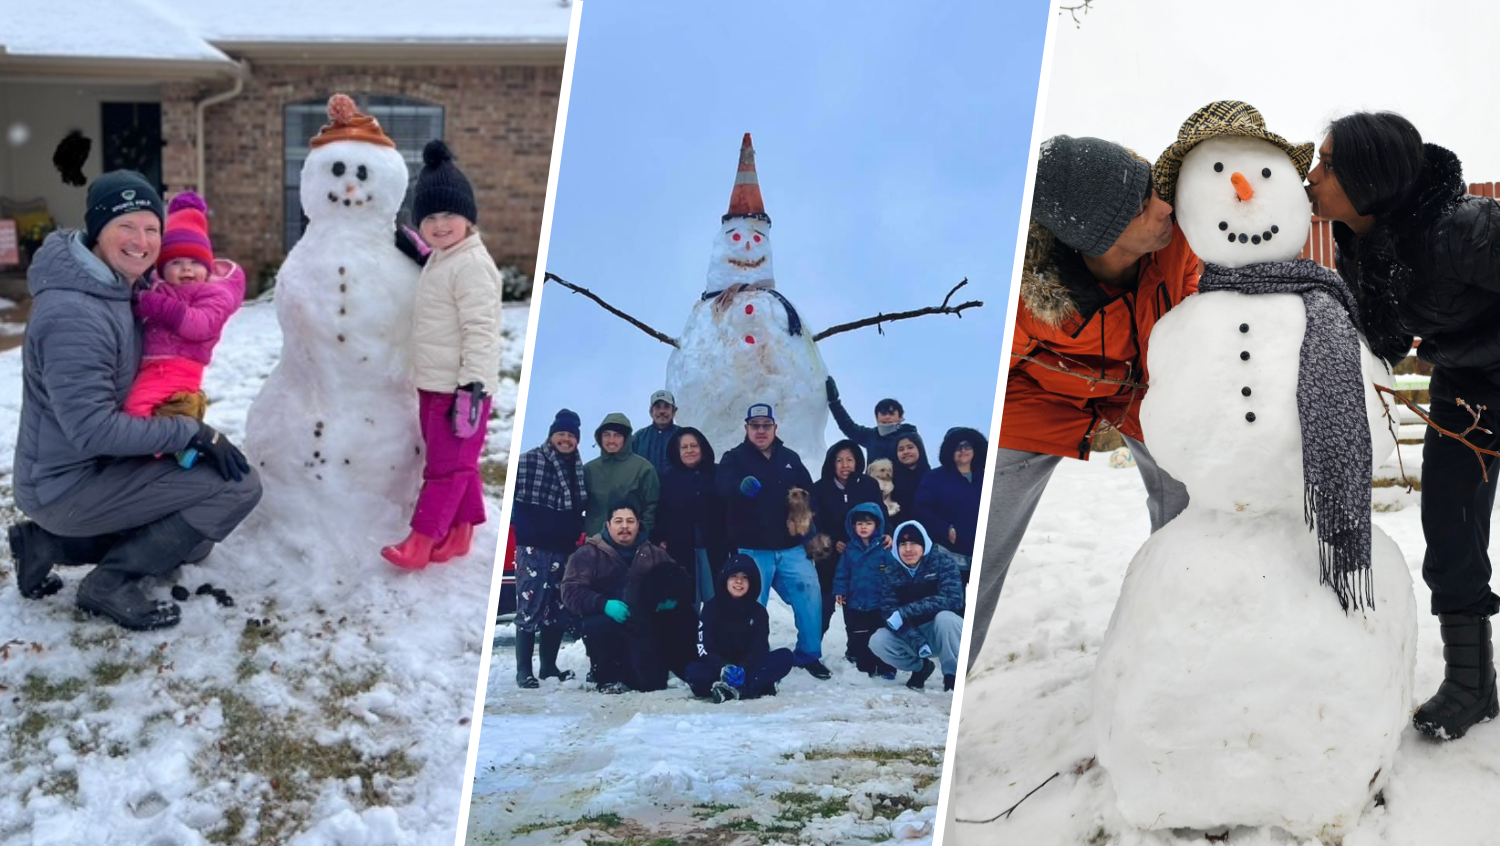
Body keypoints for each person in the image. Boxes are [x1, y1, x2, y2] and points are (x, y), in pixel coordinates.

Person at [970, 135, 1198, 671]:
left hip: (1146, 389)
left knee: (1192, 511)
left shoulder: (1178, 242)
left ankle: (1179, 658)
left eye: (1153, 190)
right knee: (981, 545)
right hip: (1039, 398)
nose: (1165, 205)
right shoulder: (1021, 297)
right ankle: (951, 678)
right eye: (1144, 205)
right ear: (1100, 239)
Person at [1307, 111, 1500, 740]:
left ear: (1369, 176)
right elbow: (1377, 338)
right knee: (1449, 524)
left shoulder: (1462, 229)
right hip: (1467, 391)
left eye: (1327, 163)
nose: (1312, 175)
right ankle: (1471, 686)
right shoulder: (1361, 244)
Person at [9, 170, 260, 631]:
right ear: (97, 230)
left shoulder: (115, 286)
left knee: (192, 540)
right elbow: (93, 429)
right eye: (126, 226)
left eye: (151, 229)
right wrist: (193, 432)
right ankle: (108, 584)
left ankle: (47, 546)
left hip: (90, 469)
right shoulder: (74, 315)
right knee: (236, 489)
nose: (141, 241)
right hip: (66, 484)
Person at [381, 141, 503, 570]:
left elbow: (481, 330)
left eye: (449, 215)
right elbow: (428, 256)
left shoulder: (471, 266)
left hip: (462, 389)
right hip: (434, 385)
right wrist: (405, 241)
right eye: (429, 218)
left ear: (468, 217)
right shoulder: (445, 258)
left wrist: (472, 386)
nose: (439, 225)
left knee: (445, 471)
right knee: (454, 462)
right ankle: (461, 532)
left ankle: (421, 541)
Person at [715, 403, 831, 680]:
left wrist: (804, 512)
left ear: (775, 428)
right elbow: (721, 488)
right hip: (753, 550)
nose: (761, 431)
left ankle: (808, 654)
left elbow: (809, 493)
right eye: (755, 426)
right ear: (746, 428)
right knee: (750, 606)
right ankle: (749, 655)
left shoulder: (789, 458)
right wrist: (739, 489)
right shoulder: (734, 458)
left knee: (810, 596)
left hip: (791, 548)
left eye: (766, 425)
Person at [123, 191, 245, 434]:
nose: (186, 268)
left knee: (137, 411)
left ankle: (154, 457)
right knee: (152, 415)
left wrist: (156, 306)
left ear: (207, 267)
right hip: (152, 367)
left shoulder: (214, 293)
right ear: (163, 268)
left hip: (179, 368)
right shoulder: (159, 287)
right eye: (176, 262)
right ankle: (167, 451)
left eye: (195, 262)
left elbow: (200, 325)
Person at [560, 503, 694, 693]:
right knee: (597, 625)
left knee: (649, 683)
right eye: (619, 521)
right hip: (606, 622)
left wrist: (672, 599)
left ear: (638, 525)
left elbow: (681, 580)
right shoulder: (587, 554)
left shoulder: (654, 553)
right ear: (607, 525)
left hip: (644, 624)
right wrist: (603, 604)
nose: (625, 526)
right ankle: (606, 677)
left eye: (630, 521)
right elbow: (570, 591)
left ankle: (679, 667)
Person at [509, 409, 588, 688]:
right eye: (561, 434)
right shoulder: (529, 460)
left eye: (571, 435)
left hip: (563, 548)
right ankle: (523, 670)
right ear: (551, 435)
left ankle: (548, 667)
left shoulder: (577, 468)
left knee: (557, 607)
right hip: (534, 546)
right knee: (530, 606)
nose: (566, 440)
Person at [686, 554, 795, 703]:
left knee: (784, 657)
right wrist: (722, 668)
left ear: (752, 582)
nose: (739, 581)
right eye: (734, 576)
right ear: (725, 579)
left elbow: (760, 647)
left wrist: (744, 668)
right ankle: (752, 687)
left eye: (745, 577)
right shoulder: (711, 608)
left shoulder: (759, 612)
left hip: (748, 669)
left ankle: (732, 690)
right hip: (718, 668)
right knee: (693, 671)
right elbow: (703, 647)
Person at [870, 521, 965, 692]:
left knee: (946, 619)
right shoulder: (891, 572)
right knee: (878, 640)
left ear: (924, 545)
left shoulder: (943, 562)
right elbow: (890, 615)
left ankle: (953, 675)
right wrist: (918, 642)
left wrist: (906, 611)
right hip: (912, 634)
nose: (908, 549)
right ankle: (921, 668)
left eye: (914, 543)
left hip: (943, 632)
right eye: (903, 544)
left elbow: (953, 599)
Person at [812, 438, 887, 635]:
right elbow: (814, 524)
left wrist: (888, 534)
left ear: (857, 462)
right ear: (831, 462)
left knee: (857, 605)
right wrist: (832, 541)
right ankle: (811, 649)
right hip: (830, 557)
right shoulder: (820, 488)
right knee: (824, 605)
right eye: (839, 460)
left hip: (863, 556)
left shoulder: (869, 485)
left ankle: (856, 648)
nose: (845, 465)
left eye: (850, 460)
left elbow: (881, 515)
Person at [650, 427, 729, 608]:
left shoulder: (718, 473)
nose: (689, 450)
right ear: (677, 452)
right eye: (684, 447)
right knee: (685, 602)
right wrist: (659, 538)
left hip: (714, 549)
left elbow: (729, 507)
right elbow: (659, 511)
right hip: (680, 551)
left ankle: (712, 636)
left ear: (702, 448)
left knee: (715, 601)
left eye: (693, 445)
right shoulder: (667, 478)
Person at [916, 427, 989, 583]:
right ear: (949, 451)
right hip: (950, 555)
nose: (963, 451)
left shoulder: (987, 476)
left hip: (984, 553)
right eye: (957, 447)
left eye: (967, 446)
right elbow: (921, 509)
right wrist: (944, 529)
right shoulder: (934, 478)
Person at [832, 503, 897, 677]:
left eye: (868, 524)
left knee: (881, 633)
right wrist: (840, 590)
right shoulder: (849, 550)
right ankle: (865, 664)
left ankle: (886, 665)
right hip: (856, 602)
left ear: (877, 525)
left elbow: (894, 574)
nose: (863, 527)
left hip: (879, 603)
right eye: (860, 524)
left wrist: (893, 595)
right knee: (860, 634)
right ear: (853, 526)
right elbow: (842, 573)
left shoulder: (884, 549)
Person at [583, 413, 659, 538]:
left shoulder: (643, 469)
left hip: (629, 542)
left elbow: (651, 507)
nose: (611, 440)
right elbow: (578, 506)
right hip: (595, 543)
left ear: (626, 438)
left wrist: (641, 535)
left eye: (617, 435)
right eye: (606, 435)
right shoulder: (589, 470)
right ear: (600, 438)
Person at [825, 376, 920, 465]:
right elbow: (848, 426)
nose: (887, 417)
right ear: (876, 418)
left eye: (891, 413)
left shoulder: (910, 435)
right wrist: (834, 403)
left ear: (901, 418)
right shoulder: (870, 435)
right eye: (883, 413)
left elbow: (922, 464)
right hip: (873, 482)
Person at [631, 389, 681, 478]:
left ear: (673, 411)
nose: (662, 411)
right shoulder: (638, 438)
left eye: (666, 407)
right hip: (646, 491)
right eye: (657, 407)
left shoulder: (684, 436)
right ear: (651, 412)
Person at [889, 433, 931, 524]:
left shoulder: (932, 477)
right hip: (899, 530)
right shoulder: (891, 480)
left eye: (910, 447)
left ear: (919, 449)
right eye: (901, 449)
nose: (906, 452)